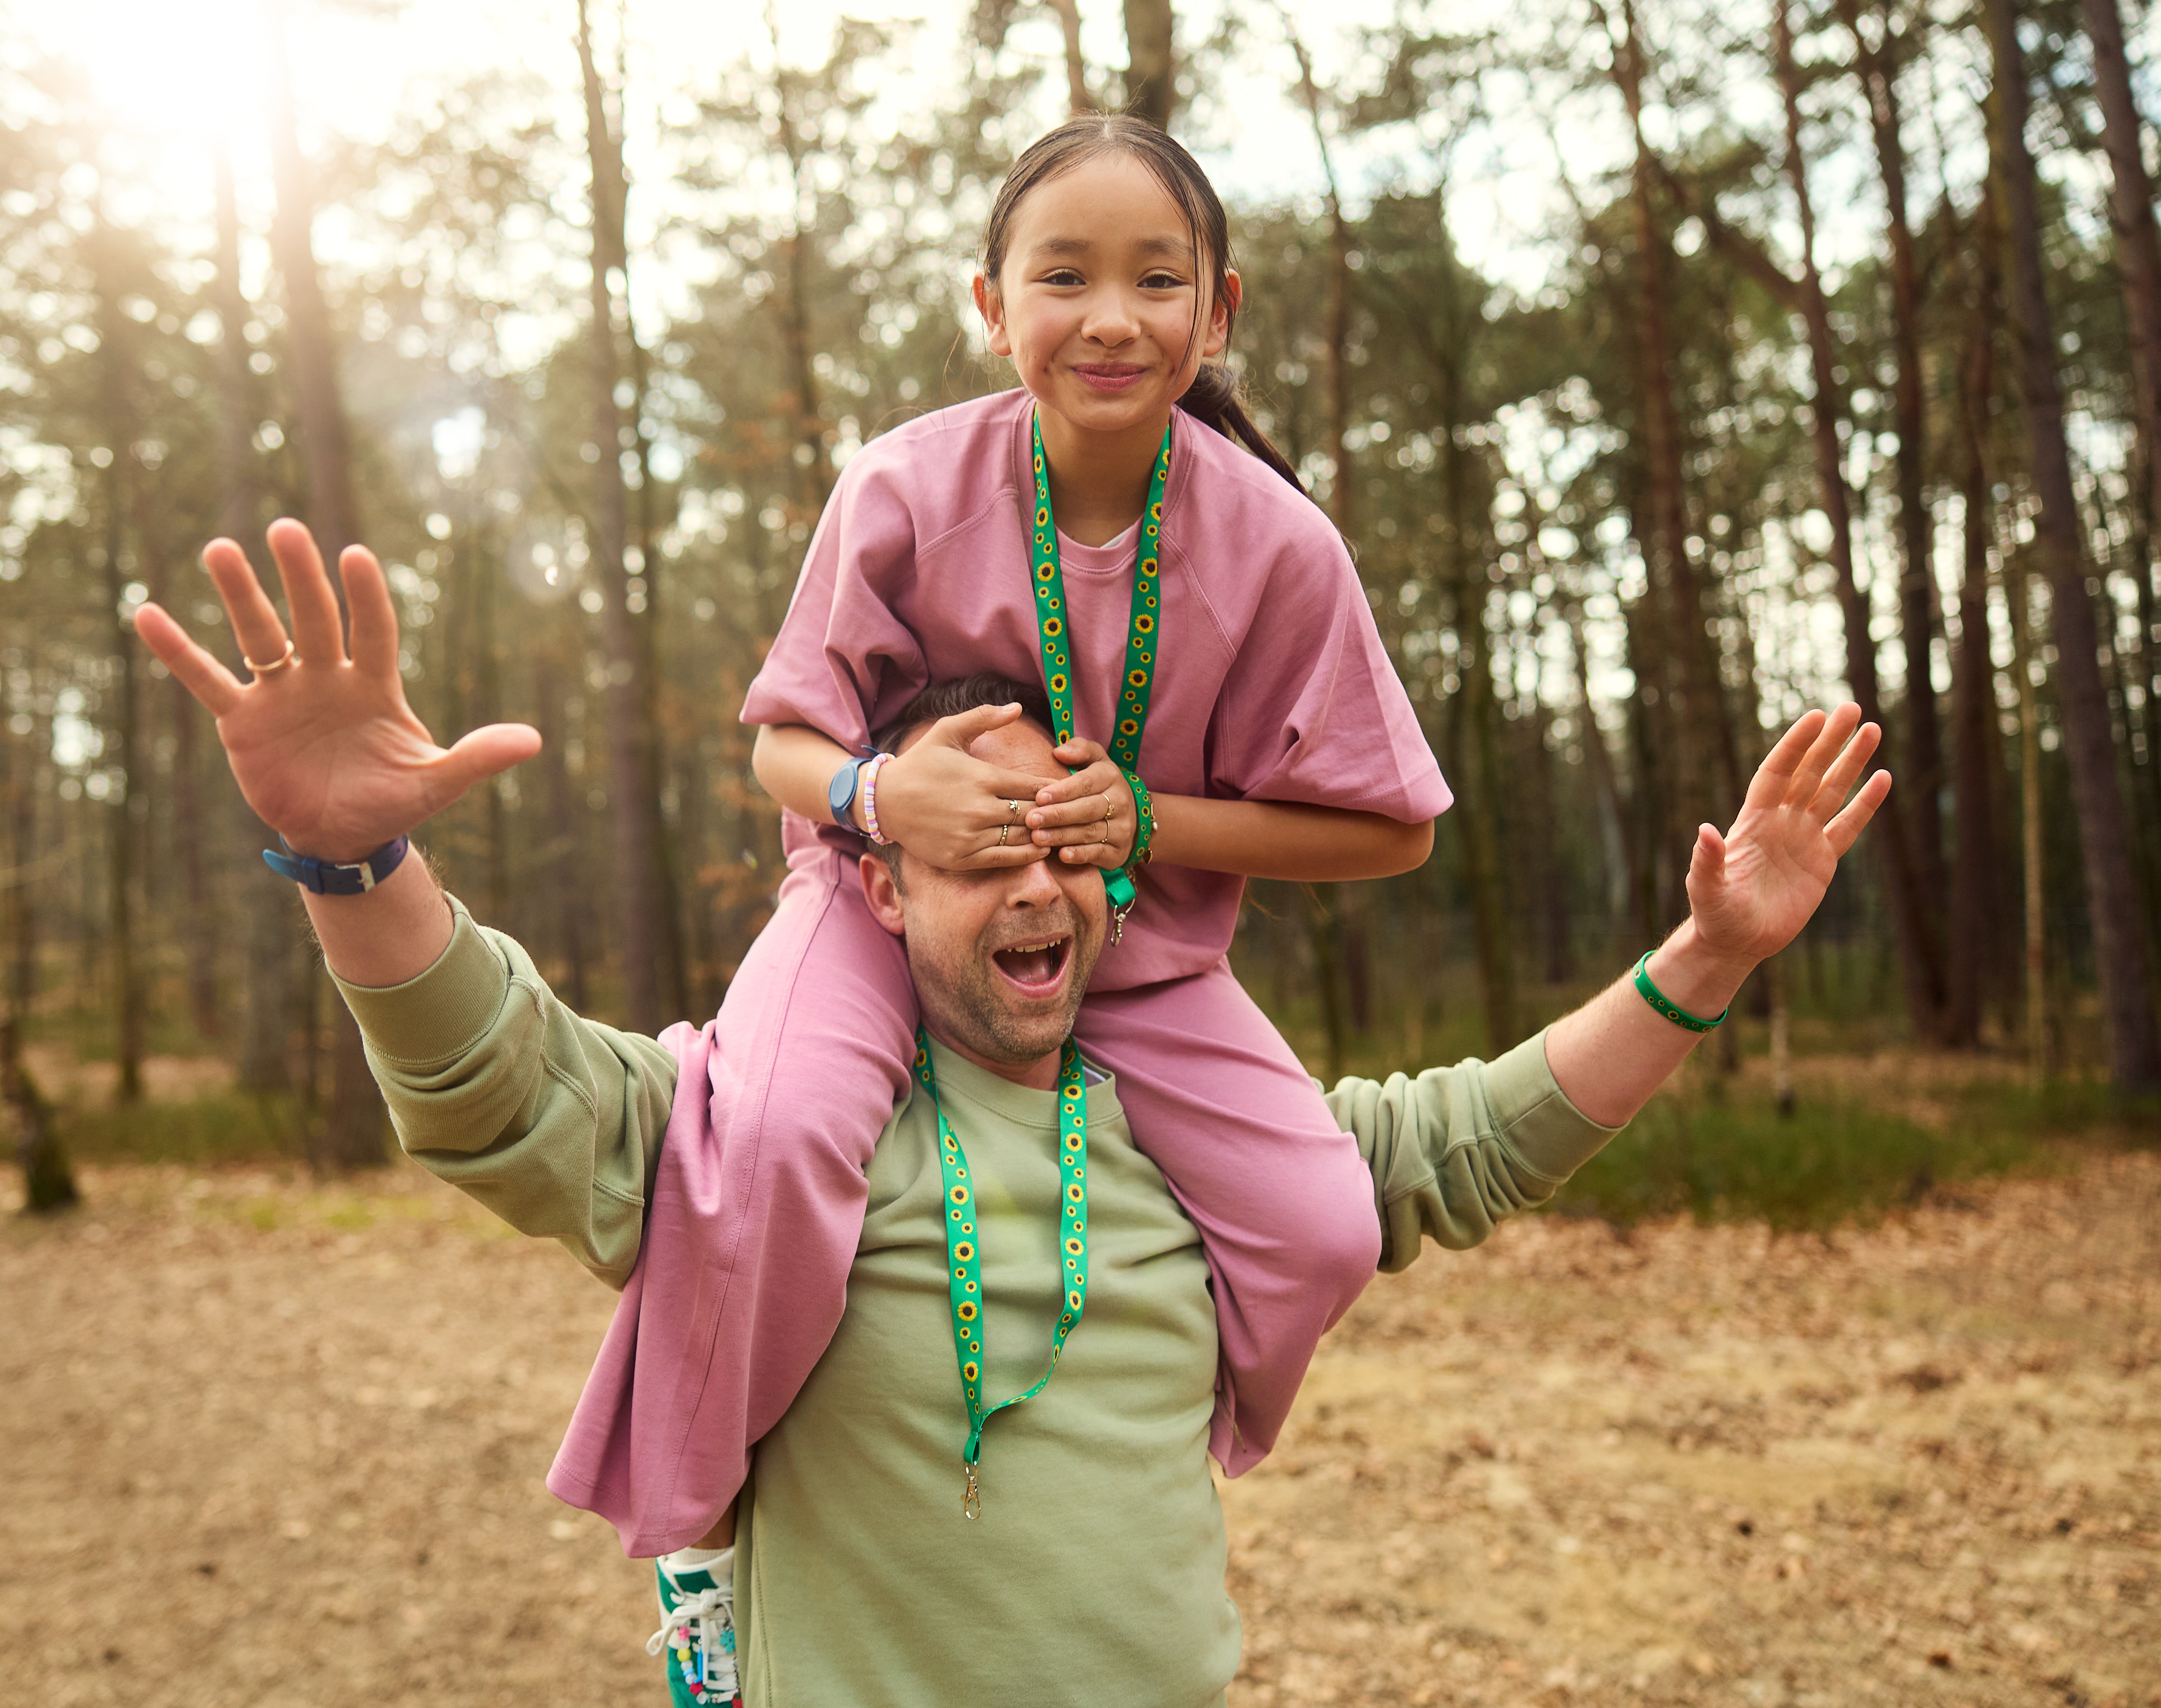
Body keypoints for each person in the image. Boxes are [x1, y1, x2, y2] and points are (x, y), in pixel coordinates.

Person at [135, 535, 1890, 1706]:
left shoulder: (1202, 1136)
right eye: (982, 847)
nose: (1037, 882)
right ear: (882, 886)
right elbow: (505, 1087)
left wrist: (1707, 959)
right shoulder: (770, 1136)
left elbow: (1466, 1145)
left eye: (1063, 841)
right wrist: (359, 866)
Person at [573, 113, 1456, 1693]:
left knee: (1326, 1224)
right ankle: (702, 1531)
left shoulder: (1280, 544)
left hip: (1140, 949)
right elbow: (780, 742)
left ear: (1218, 313)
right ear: (992, 306)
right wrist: (877, 797)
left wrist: (1157, 822)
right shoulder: (905, 485)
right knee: (770, 1144)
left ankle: (1126, 1438)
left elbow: (1391, 832)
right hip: (875, 901)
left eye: (1156, 280)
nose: (1111, 318)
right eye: (1063, 277)